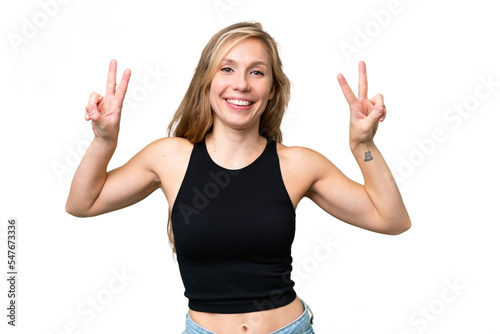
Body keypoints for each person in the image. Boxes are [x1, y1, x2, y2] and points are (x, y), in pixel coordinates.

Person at [66, 21, 411, 334]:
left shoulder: (298, 165)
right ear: (208, 80)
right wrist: (104, 140)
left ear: (273, 89)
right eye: (227, 69)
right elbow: (83, 203)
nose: (241, 84)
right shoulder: (170, 158)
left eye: (257, 73)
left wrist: (363, 144)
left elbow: (391, 219)